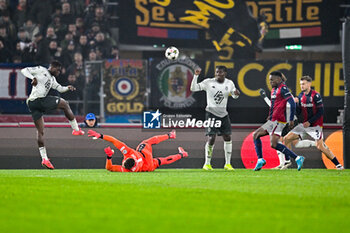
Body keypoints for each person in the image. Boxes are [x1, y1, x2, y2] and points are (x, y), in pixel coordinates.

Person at [21, 60, 85, 170]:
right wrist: (33, 78)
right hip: (38, 100)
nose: (59, 72)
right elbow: (24, 70)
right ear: (53, 67)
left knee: (40, 131)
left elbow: (59, 88)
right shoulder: (41, 69)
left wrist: (67, 88)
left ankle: (44, 158)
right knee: (65, 104)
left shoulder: (52, 79)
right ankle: (75, 129)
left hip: (33, 104)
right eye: (58, 70)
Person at [284, 76, 344, 170]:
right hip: (304, 125)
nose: (301, 86)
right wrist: (296, 104)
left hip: (315, 125)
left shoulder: (316, 96)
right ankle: (288, 162)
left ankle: (338, 165)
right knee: (286, 139)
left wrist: (309, 121)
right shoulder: (300, 96)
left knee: (320, 147)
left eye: (303, 84)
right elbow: (298, 112)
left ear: (309, 84)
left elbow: (320, 112)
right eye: (300, 84)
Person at [190, 66, 240, 171]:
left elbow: (235, 96)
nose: (218, 74)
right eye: (216, 72)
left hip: (223, 114)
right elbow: (193, 88)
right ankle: (207, 164)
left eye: (220, 72)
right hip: (211, 113)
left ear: (225, 73)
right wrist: (196, 76)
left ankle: (228, 164)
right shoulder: (208, 82)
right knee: (211, 138)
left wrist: (236, 94)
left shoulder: (229, 83)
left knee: (227, 137)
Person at [252, 71, 305, 171]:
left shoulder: (283, 89)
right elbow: (274, 105)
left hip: (278, 121)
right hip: (272, 120)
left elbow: (292, 103)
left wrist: (291, 120)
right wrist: (270, 115)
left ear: (279, 79)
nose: (270, 82)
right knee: (257, 136)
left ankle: (296, 158)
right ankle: (261, 160)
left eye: (272, 80)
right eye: (269, 80)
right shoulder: (274, 90)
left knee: (272, 143)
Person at [259, 88, 316, 169]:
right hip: (286, 123)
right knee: (291, 143)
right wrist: (264, 97)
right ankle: (283, 163)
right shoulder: (282, 99)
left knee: (282, 141)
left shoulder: (289, 99)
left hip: (293, 123)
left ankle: (286, 162)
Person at [88, 130, 188, 172]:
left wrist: (109, 157)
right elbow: (114, 140)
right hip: (144, 156)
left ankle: (182, 154)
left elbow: (109, 168)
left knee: (161, 161)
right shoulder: (128, 152)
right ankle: (170, 135)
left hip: (147, 167)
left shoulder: (127, 170)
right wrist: (101, 136)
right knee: (146, 142)